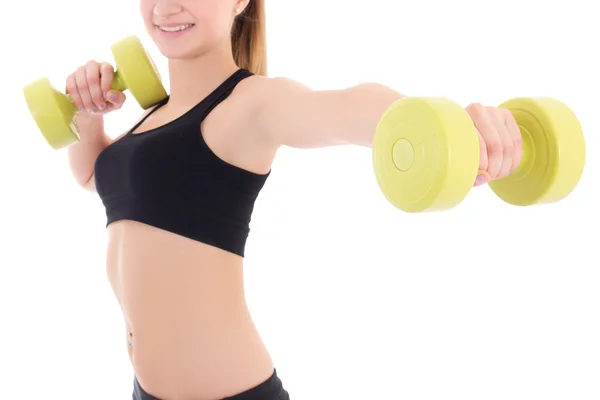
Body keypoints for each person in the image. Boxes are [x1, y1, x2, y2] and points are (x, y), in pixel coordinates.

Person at [64, 0, 522, 399]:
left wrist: (448, 128)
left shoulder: (252, 103)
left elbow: (345, 108)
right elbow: (98, 178)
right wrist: (87, 120)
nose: (166, 6)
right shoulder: (152, 118)